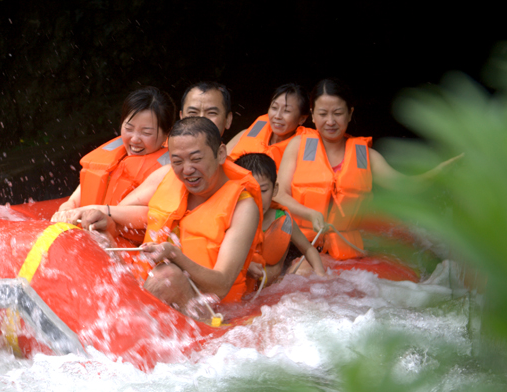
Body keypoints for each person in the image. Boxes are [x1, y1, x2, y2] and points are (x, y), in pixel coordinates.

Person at [79, 117, 262, 318]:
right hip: (146, 289)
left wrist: (175, 256)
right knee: (99, 235)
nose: (187, 170)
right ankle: (103, 318)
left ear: (220, 154)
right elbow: (129, 217)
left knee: (168, 276)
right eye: (177, 161)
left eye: (196, 158)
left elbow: (221, 285)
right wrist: (106, 222)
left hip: (209, 312)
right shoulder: (167, 177)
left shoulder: (244, 207)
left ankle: (121, 325)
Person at [275, 78, 462, 260]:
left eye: (338, 113)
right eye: (323, 114)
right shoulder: (298, 145)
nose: (330, 121)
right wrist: (309, 213)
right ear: (313, 115)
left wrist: (439, 172)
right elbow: (279, 194)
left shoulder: (366, 157)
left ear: (350, 113)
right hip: (299, 246)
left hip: (346, 250)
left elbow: (405, 185)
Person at [57, 86, 176, 214]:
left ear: (166, 134)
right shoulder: (111, 158)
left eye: (146, 133)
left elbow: (149, 215)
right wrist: (67, 207)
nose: (135, 139)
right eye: (129, 129)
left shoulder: (171, 170)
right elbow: (75, 199)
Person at [234, 153, 326, 284]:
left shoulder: (283, 220)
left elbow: (308, 249)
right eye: (249, 191)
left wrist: (320, 275)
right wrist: (245, 265)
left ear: (275, 189)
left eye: (263, 190)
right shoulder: (232, 219)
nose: (257, 198)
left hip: (271, 291)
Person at [228, 83, 310, 169]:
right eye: (274, 108)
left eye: (287, 111)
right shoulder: (251, 131)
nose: (277, 116)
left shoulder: (306, 149)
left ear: (302, 119)